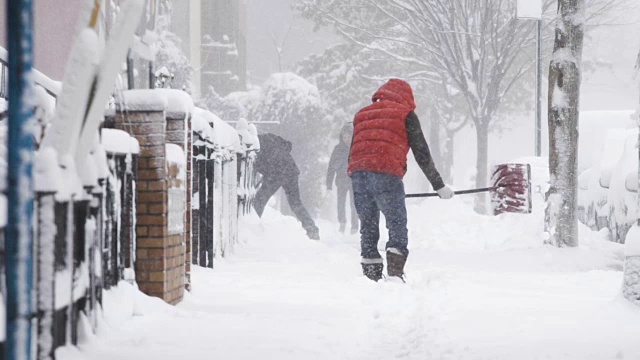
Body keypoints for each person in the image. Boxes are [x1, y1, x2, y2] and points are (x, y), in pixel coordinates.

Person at [348, 79, 454, 282]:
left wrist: (357, 177)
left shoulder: (361, 114)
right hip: (386, 172)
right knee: (396, 224)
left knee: (368, 225)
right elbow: (421, 152)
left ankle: (371, 276)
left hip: (359, 173)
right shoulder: (405, 114)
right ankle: (395, 274)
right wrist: (438, 185)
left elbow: (353, 150)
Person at [253, 132, 320, 240]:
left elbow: (255, 166)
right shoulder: (269, 138)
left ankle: (252, 227)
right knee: (295, 203)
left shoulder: (254, 148)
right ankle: (312, 230)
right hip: (290, 170)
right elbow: (287, 145)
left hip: (275, 173)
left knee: (259, 200)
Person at [326, 124, 359, 234]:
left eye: (349, 137)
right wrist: (328, 184)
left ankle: (354, 226)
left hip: (355, 180)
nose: (347, 139)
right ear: (342, 137)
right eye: (344, 137)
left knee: (354, 204)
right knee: (341, 203)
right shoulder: (338, 149)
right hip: (341, 181)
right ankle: (342, 222)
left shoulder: (357, 148)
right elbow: (331, 166)